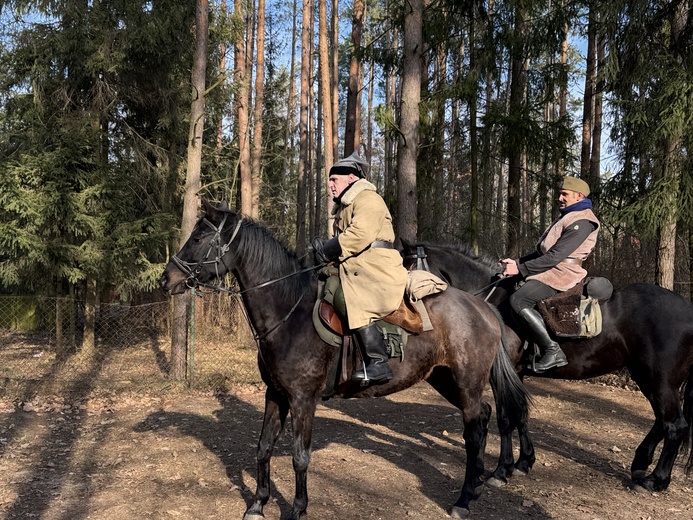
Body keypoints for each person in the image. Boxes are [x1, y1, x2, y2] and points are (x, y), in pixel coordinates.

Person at [313, 152, 408, 384]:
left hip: (376, 267)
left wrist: (327, 248)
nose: (330, 184)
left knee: (344, 295)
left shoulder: (368, 199)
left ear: (352, 178)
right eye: (329, 180)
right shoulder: (346, 206)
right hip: (359, 264)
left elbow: (360, 234)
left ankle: (378, 362)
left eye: (334, 179)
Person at [501, 176, 599, 373]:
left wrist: (521, 270)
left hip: (563, 272)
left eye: (565, 194)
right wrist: (517, 263)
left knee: (519, 301)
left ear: (579, 196)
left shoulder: (583, 220)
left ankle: (553, 350)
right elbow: (541, 253)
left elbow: (555, 256)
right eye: (560, 193)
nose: (560, 198)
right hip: (551, 267)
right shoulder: (568, 216)